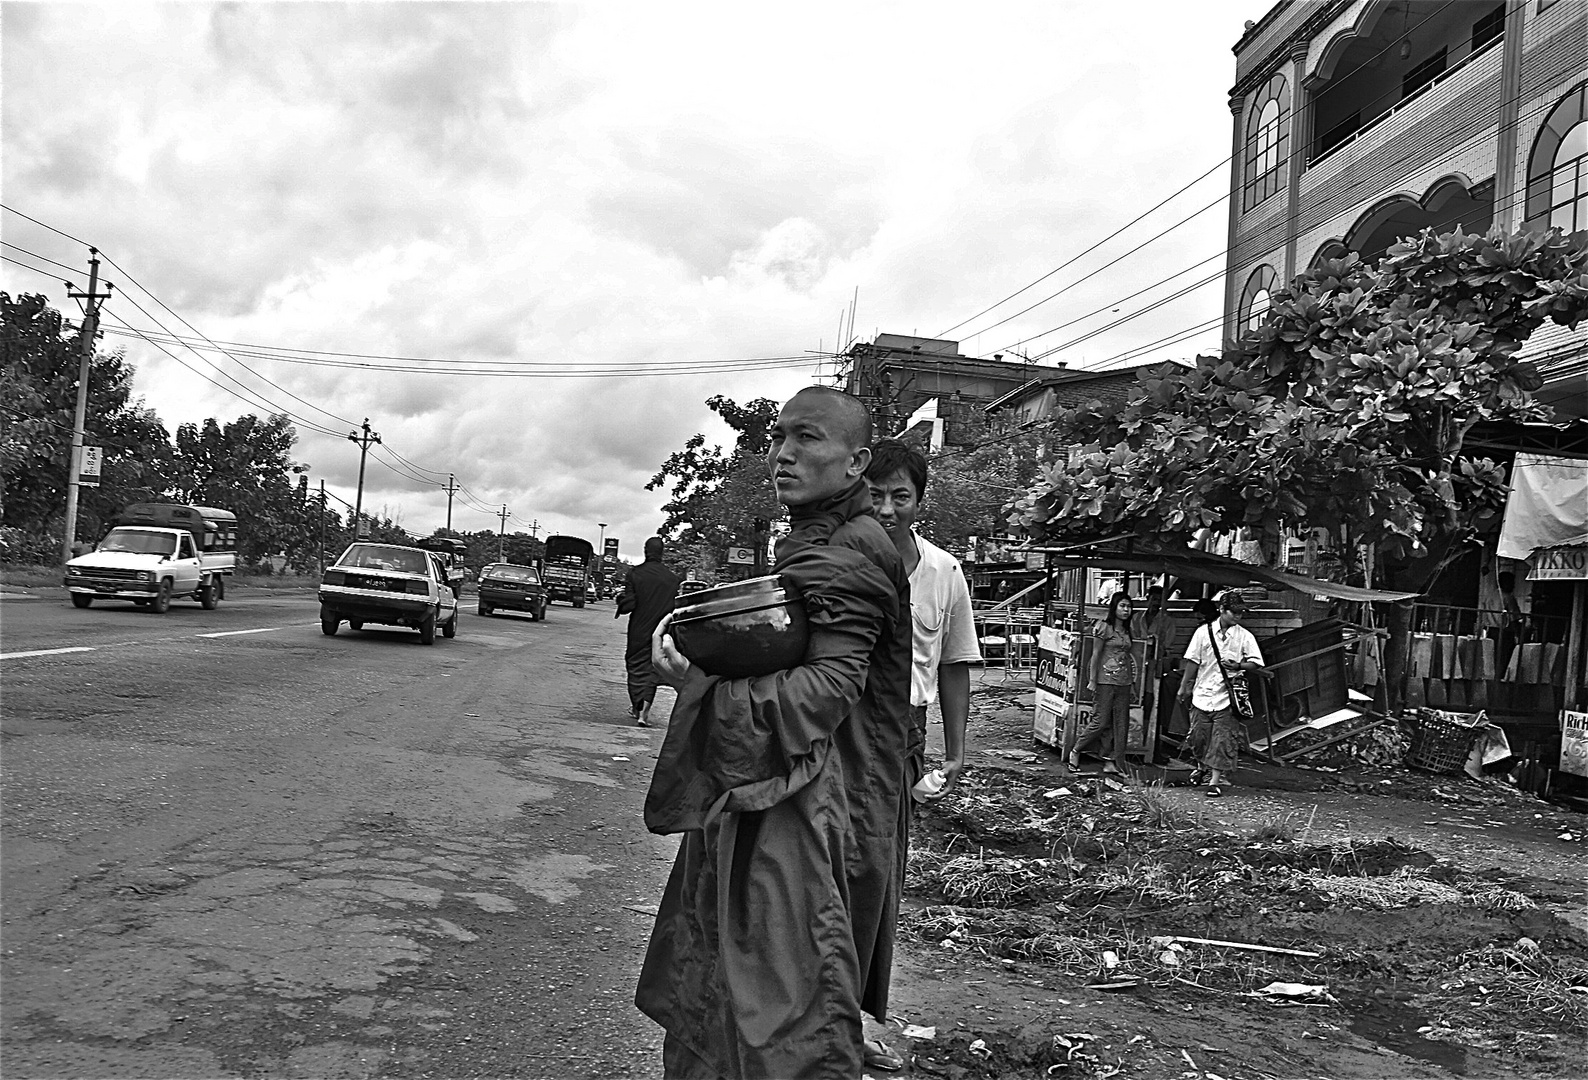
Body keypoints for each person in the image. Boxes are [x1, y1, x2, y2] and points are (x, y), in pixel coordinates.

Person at [635, 386, 912, 1080]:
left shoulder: (851, 553)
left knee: (784, 1009)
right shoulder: (821, 540)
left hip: (808, 813)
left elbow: (827, 690)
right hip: (782, 791)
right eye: (779, 437)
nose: (783, 454)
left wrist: (695, 685)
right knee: (734, 985)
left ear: (857, 463)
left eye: (808, 438)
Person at [861, 439, 980, 1070]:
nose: (886, 508)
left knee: (880, 875)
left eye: (899, 496)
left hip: (904, 733)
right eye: (874, 495)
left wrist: (954, 752)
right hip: (839, 726)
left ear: (919, 502)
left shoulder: (943, 573)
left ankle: (862, 1014)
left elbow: (956, 663)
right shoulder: (841, 561)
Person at [1177, 592, 1265, 797]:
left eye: (1241, 613)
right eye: (1234, 612)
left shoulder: (1244, 636)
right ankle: (1201, 767)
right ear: (1222, 610)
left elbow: (1256, 662)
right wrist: (1184, 686)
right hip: (1202, 693)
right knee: (1199, 737)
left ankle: (1215, 781)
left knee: (1222, 739)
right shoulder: (1202, 633)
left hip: (1228, 696)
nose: (1238, 616)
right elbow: (1192, 661)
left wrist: (1239, 665)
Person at [615, 536, 683, 726]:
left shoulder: (635, 574)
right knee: (653, 669)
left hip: (639, 630)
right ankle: (644, 712)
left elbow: (630, 604)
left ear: (646, 550)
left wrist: (621, 601)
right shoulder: (672, 579)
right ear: (662, 552)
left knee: (636, 667)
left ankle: (637, 707)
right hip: (662, 631)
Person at [1068, 591, 1137, 775]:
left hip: (1123, 682)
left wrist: (1133, 685)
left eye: (1128, 606)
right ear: (1114, 607)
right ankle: (1075, 750)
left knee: (1120, 725)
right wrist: (1092, 680)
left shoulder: (1128, 630)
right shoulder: (1103, 627)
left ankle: (1112, 761)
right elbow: (1095, 655)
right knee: (1100, 721)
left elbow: (1128, 658)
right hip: (1105, 681)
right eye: (1122, 606)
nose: (1126, 610)